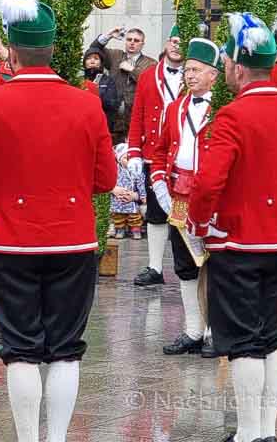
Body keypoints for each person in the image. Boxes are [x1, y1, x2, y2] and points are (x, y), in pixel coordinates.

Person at [0, 0, 117, 442]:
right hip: (72, 241)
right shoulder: (86, 102)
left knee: (20, 350)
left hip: (8, 240)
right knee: (66, 351)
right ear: (52, 50)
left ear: (12, 54)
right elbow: (106, 179)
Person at [186, 12, 277, 442]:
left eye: (227, 62)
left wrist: (199, 222)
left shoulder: (232, 116)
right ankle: (267, 429)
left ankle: (247, 432)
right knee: (273, 336)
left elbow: (208, 183)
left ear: (239, 67)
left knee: (243, 339)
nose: (224, 69)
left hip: (237, 240)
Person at [148, 38, 222, 357]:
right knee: (185, 265)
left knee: (215, 263)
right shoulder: (175, 107)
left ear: (213, 75)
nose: (190, 75)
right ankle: (193, 330)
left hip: (213, 198)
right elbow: (161, 150)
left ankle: (215, 331)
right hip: (179, 196)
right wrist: (159, 183)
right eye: (187, 70)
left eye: (196, 70)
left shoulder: (224, 108)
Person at [126, 26, 185, 288]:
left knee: (181, 213)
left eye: (181, 42)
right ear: (166, 44)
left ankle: (187, 265)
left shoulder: (195, 76)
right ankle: (155, 267)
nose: (176, 46)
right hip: (154, 155)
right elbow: (138, 114)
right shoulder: (149, 75)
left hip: (182, 157)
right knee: (155, 212)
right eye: (173, 41)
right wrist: (134, 151)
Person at [88, 26, 156, 139]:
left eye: (136, 40)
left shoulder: (150, 63)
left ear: (142, 44)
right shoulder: (116, 55)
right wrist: (109, 35)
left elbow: (150, 83)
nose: (132, 43)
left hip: (135, 117)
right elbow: (94, 50)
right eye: (129, 39)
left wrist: (132, 70)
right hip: (113, 117)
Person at [110, 143, 144, 239]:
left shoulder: (136, 170)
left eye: (130, 159)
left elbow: (141, 183)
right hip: (118, 198)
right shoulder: (115, 170)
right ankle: (120, 228)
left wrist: (141, 195)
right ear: (119, 159)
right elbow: (108, 181)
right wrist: (113, 189)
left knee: (134, 215)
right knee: (118, 215)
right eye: (125, 158)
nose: (128, 161)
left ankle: (135, 229)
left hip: (132, 198)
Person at [84, 47, 120, 133]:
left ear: (101, 63)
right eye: (88, 58)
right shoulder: (78, 80)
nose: (92, 61)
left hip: (101, 124)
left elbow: (112, 104)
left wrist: (95, 93)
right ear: (84, 62)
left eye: (96, 58)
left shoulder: (108, 81)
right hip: (82, 122)